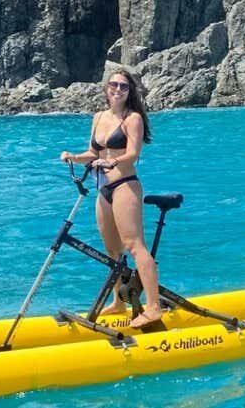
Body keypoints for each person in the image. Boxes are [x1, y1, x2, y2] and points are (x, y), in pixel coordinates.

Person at [59, 69, 161, 329]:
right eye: (114, 84)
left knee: (134, 245)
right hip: (102, 189)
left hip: (125, 186)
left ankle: (154, 307)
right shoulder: (98, 117)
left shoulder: (133, 118)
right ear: (106, 88)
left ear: (130, 92)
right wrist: (73, 156)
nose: (118, 89)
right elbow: (93, 152)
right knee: (112, 249)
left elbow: (133, 152)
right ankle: (118, 302)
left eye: (124, 86)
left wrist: (113, 161)